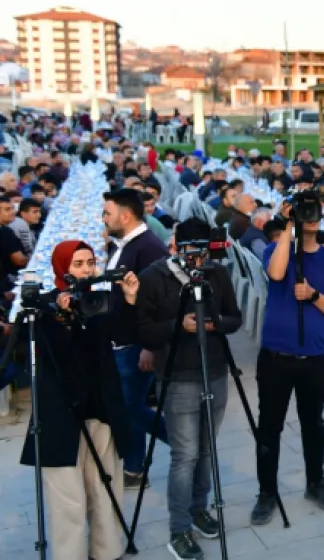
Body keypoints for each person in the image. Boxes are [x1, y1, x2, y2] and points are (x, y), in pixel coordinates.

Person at [20, 240, 140, 560]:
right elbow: (36, 348)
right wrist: (60, 314)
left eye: (90, 263)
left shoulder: (100, 301)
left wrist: (128, 300)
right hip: (61, 414)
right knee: (68, 499)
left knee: (105, 486)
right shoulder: (44, 306)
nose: (86, 270)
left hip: (100, 408)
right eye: (78, 264)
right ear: (63, 268)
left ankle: (107, 551)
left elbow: (126, 337)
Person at [134, 219, 243, 559]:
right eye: (190, 253)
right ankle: (178, 529)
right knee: (185, 456)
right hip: (178, 376)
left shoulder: (216, 273)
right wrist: (177, 325)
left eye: (202, 253)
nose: (197, 261)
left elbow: (235, 318)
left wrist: (214, 325)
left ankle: (199, 508)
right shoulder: (155, 277)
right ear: (176, 245)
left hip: (215, 371)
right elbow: (145, 331)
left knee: (207, 448)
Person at [251, 197, 324, 525]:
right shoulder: (276, 251)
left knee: (313, 424)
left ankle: (315, 482)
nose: (310, 217)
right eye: (304, 212)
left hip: (315, 358)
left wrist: (315, 296)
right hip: (277, 357)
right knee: (269, 428)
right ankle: (266, 493)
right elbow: (276, 273)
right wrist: (289, 224)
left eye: (313, 213)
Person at [102, 188, 170, 487]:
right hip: (122, 340)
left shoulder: (149, 248)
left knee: (131, 406)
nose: (103, 218)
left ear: (125, 216)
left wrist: (149, 347)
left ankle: (185, 444)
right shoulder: (127, 244)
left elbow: (158, 303)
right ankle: (134, 467)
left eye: (107, 213)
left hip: (135, 344)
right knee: (131, 404)